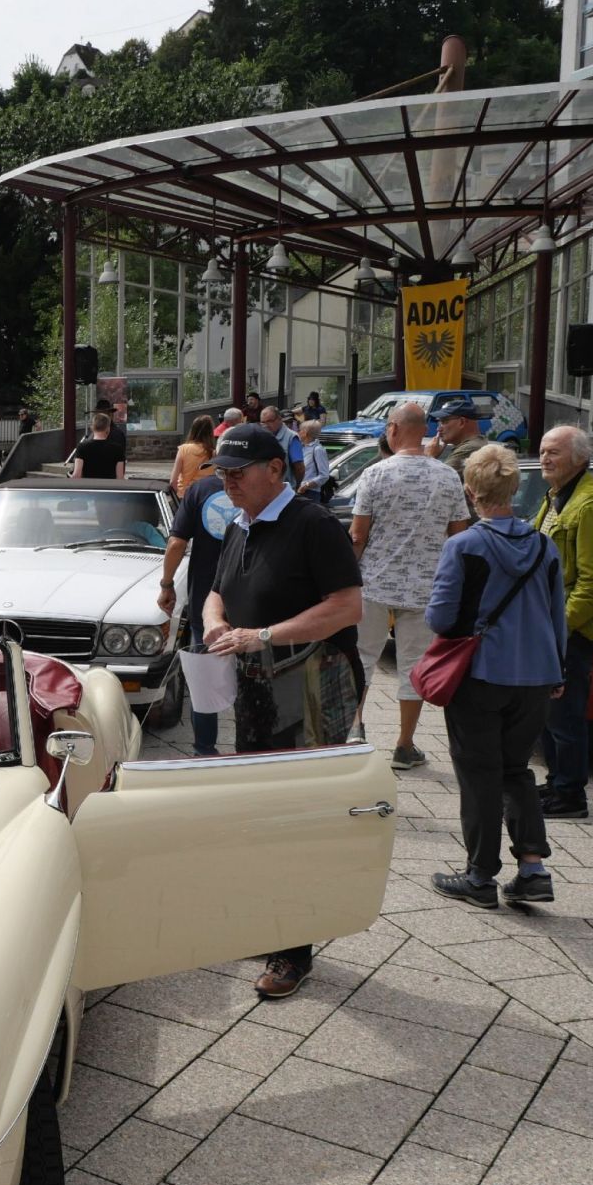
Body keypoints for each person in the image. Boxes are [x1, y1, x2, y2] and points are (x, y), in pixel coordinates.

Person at [201, 424, 363, 999]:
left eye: (236, 472)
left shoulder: (314, 524)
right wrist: (217, 625)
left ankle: (294, 949)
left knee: (295, 813)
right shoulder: (241, 523)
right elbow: (216, 592)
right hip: (257, 681)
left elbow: (347, 608)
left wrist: (262, 634)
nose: (227, 482)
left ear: (276, 468)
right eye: (221, 472)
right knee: (259, 804)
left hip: (312, 682)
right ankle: (269, 923)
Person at [426, 446, 568, 909]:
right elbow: (556, 614)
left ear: (471, 492)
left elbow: (442, 618)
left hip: (482, 674)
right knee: (516, 771)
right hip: (537, 675)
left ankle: (480, 876)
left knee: (479, 774)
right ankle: (532, 868)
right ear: (515, 489)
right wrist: (558, 667)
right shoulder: (543, 545)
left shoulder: (463, 545)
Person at [351, 401, 469, 769]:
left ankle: (355, 729)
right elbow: (459, 537)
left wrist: (346, 579)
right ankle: (404, 745)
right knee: (414, 666)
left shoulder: (375, 474)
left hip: (373, 583)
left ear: (393, 429)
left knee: (362, 658)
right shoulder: (447, 476)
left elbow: (357, 535)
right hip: (425, 587)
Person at [533, 423, 593, 819]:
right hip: (551, 627)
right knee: (549, 714)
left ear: (580, 459)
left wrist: (561, 627)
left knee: (566, 714)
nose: (545, 458)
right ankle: (556, 783)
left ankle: (571, 795)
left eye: (554, 452)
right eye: (542, 451)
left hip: (572, 631)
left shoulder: (588, 507)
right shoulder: (555, 496)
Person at [158, 471, 239, 756]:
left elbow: (177, 543)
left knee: (204, 679)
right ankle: (251, 747)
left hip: (204, 600)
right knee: (251, 675)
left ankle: (204, 749)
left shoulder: (199, 489)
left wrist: (167, 584)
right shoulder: (264, 488)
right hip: (249, 600)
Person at [426, 398, 487, 477]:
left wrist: (430, 457)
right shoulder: (475, 443)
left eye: (444, 421)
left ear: (462, 422)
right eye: (439, 423)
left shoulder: (469, 448)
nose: (439, 429)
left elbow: (437, 480)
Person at [259, 405, 305, 489]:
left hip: (284, 491)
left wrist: (295, 486)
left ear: (279, 419)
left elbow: (299, 468)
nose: (266, 425)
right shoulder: (261, 436)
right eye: (263, 422)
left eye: (269, 421)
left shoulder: (291, 437)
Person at [169, 415, 216, 495]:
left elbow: (173, 481)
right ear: (211, 432)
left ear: (193, 430)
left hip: (185, 495)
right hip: (205, 495)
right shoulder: (215, 453)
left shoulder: (183, 449)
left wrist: (181, 494)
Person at [71, 410, 126, 480]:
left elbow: (76, 476)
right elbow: (120, 478)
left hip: (89, 488)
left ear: (92, 427)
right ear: (108, 428)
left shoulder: (82, 447)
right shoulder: (118, 449)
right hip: (109, 488)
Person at [297, 420, 332, 500]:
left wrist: (306, 486)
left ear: (305, 433)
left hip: (310, 493)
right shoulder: (301, 447)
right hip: (299, 491)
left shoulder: (317, 449)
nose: (298, 432)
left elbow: (324, 475)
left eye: (299, 430)